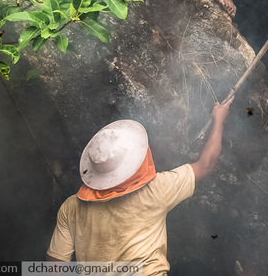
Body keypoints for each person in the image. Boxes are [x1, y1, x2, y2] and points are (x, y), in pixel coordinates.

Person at [44, 99, 232, 273]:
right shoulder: (156, 190)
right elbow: (205, 164)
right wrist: (219, 120)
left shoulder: (71, 208)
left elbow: (54, 267)